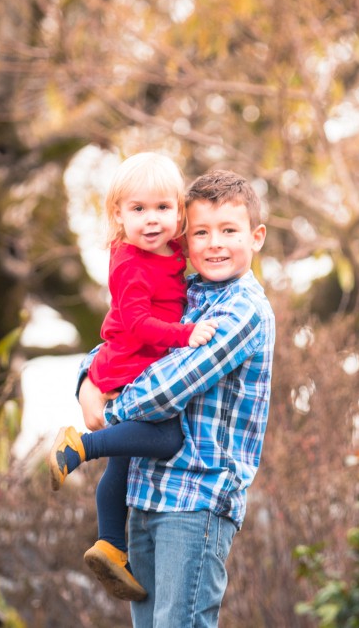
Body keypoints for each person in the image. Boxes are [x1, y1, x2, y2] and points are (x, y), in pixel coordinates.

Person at [76, 168, 274, 627]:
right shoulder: (185, 294)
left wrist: (108, 408)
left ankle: (81, 450)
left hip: (195, 500)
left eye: (229, 231)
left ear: (256, 237)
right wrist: (88, 379)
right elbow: (124, 340)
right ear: (184, 236)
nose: (214, 244)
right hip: (144, 494)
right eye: (201, 232)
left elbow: (166, 390)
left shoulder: (241, 308)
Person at [48, 152, 218, 601]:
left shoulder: (172, 247)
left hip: (136, 363)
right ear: (118, 215)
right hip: (130, 365)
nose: (151, 220)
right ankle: (81, 446)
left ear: (178, 213)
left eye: (163, 208)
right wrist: (186, 334)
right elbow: (140, 324)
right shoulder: (129, 265)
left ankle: (109, 543)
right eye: (138, 209)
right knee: (164, 440)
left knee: (124, 463)